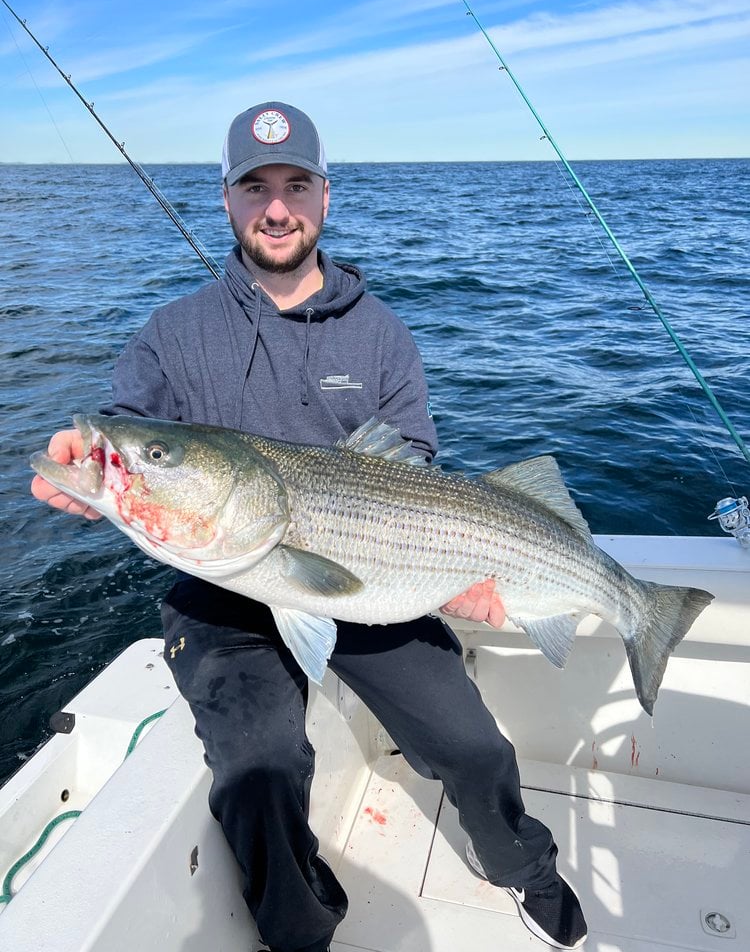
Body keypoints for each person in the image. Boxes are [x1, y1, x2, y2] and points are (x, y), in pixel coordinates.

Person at [31, 102, 587, 952]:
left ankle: (523, 866)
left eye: (296, 185)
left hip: (370, 580)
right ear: (227, 200)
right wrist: (90, 455)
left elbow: (414, 473)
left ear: (324, 196)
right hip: (223, 590)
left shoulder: (383, 336)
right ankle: (301, 933)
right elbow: (124, 424)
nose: (277, 206)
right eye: (255, 187)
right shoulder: (173, 334)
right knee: (262, 773)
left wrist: (468, 577)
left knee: (474, 747)